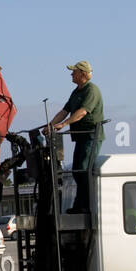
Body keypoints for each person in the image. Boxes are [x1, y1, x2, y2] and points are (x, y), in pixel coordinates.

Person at [43, 60, 104, 214]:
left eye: (74, 72)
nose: (71, 74)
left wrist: (63, 125)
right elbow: (64, 111)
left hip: (90, 136)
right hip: (80, 137)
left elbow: (82, 112)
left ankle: (86, 206)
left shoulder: (92, 90)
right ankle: (80, 205)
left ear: (82, 74)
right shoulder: (77, 91)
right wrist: (50, 125)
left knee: (84, 169)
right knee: (77, 170)